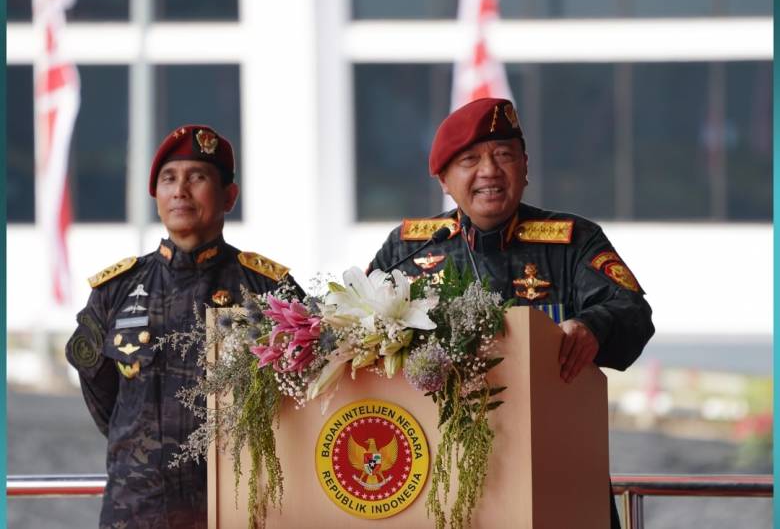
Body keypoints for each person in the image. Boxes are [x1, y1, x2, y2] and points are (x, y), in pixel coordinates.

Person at [368, 97, 654, 528]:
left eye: (504, 156)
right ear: (445, 179)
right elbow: (354, 325)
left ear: (525, 167)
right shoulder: (410, 248)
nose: (489, 171)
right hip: (441, 474)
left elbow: (632, 309)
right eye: (470, 160)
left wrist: (593, 326)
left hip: (555, 467)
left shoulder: (573, 241)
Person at [66, 125, 299, 528]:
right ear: (155, 195)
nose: (181, 191)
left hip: (239, 509)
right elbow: (105, 399)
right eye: (169, 179)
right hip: (137, 509)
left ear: (229, 195)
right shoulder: (116, 291)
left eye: (198, 177)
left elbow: (301, 399)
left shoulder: (269, 291)